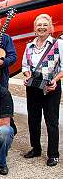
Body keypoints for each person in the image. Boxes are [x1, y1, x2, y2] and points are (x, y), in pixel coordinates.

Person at [22, 14, 63, 166]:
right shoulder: (29, 46)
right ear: (34, 28)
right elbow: (25, 66)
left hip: (51, 88)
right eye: (39, 25)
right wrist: (27, 76)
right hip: (33, 88)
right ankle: (36, 148)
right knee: (33, 119)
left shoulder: (58, 44)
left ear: (50, 28)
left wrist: (55, 80)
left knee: (51, 121)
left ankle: (53, 154)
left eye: (45, 25)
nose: (41, 27)